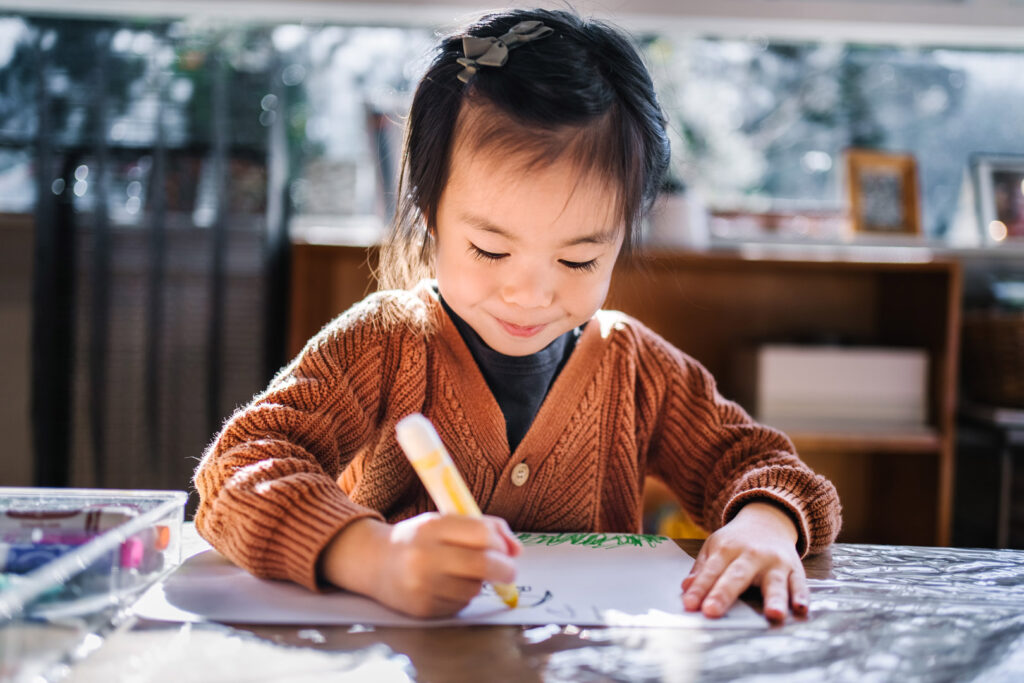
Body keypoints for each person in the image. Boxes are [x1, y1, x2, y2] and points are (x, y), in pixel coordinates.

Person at [194, 7, 841, 623]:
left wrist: (765, 521)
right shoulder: (383, 344)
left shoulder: (639, 368)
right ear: (429, 211)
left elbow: (765, 465)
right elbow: (236, 471)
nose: (530, 295)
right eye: (490, 249)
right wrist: (371, 556)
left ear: (624, 234)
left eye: (580, 260)